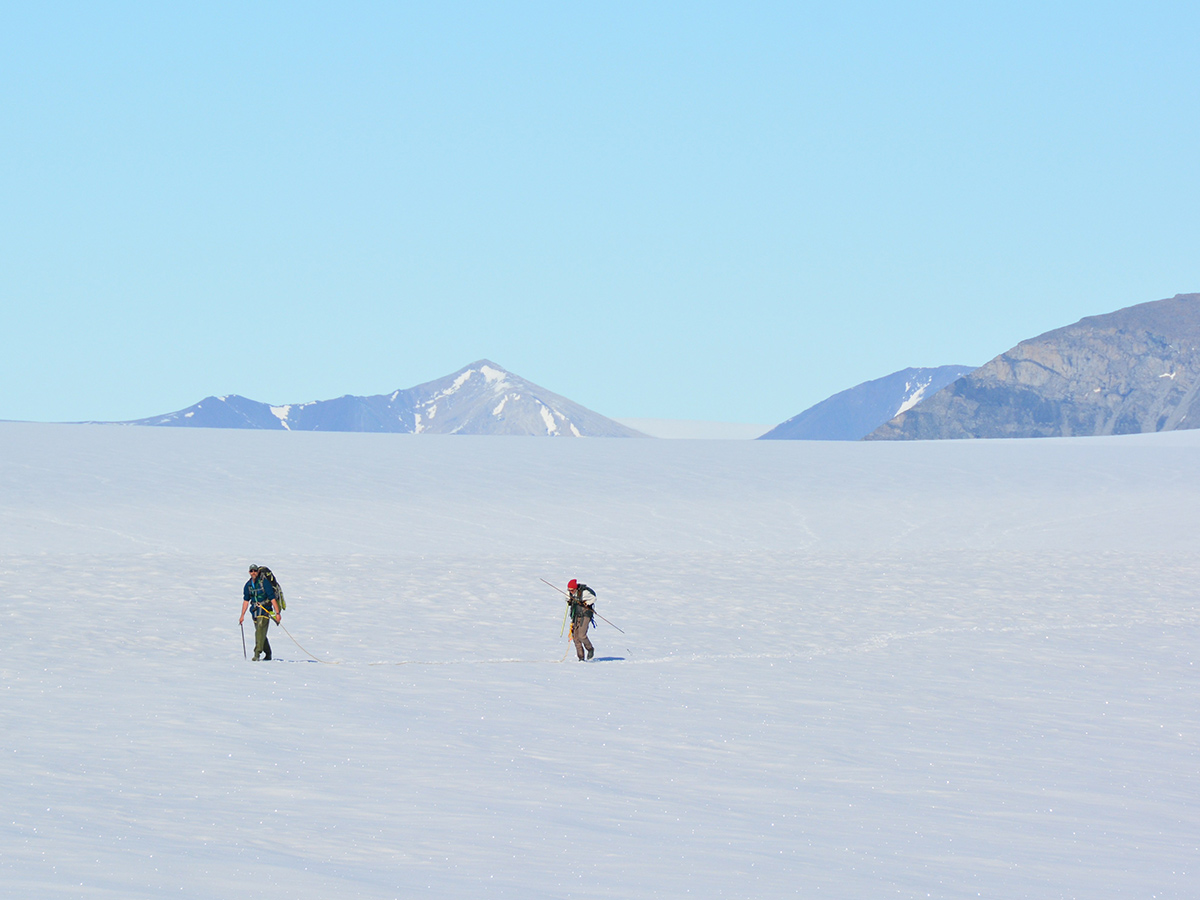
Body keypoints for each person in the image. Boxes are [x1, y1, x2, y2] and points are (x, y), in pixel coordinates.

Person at [239, 564, 280, 661]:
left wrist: (277, 613)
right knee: (260, 633)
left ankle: (257, 653)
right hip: (255, 611)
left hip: (265, 609)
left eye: (255, 571)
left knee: (260, 630)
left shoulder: (264, 583)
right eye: (251, 571)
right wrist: (242, 616)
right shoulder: (248, 585)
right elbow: (246, 601)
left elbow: (272, 598)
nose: (253, 573)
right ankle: (268, 653)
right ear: (249, 572)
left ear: (258, 572)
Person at [566, 578, 597, 661]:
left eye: (572, 590)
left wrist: (586, 603)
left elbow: (593, 598)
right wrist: (569, 601)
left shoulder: (584, 593)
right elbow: (566, 598)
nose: (570, 591)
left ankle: (590, 649)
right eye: (569, 590)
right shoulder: (569, 593)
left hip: (585, 615)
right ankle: (581, 658)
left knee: (581, 635)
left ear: (575, 588)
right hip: (576, 615)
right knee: (575, 637)